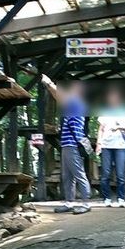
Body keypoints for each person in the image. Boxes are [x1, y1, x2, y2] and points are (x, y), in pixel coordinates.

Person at [41, 74, 91, 214]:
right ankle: (69, 202)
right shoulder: (72, 104)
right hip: (67, 144)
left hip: (73, 144)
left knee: (78, 174)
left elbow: (60, 95)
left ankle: (86, 203)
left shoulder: (76, 102)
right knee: (67, 176)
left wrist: (49, 83)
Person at [95, 86, 125, 207]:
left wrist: (119, 127)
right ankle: (107, 198)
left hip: (120, 146)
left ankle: (121, 198)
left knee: (121, 174)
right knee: (106, 173)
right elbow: (100, 129)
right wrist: (98, 143)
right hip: (106, 145)